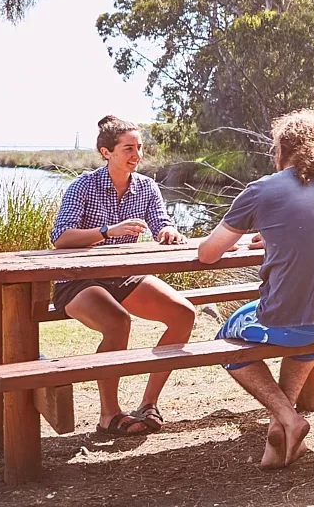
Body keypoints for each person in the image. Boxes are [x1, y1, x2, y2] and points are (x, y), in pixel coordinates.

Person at [198, 109, 314, 469]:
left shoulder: (261, 190)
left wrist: (266, 232)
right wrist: (274, 235)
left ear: (279, 151)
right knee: (304, 329)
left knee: (225, 340)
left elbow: (208, 254)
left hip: (289, 321)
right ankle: (280, 432)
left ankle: (288, 418)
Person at [50, 115, 196, 436]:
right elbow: (60, 236)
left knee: (183, 314)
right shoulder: (83, 186)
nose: (137, 155)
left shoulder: (146, 187)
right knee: (118, 322)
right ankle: (108, 415)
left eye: (140, 148)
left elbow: (160, 222)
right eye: (128, 148)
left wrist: (169, 232)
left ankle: (148, 405)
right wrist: (106, 231)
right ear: (106, 152)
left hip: (122, 277)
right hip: (77, 280)